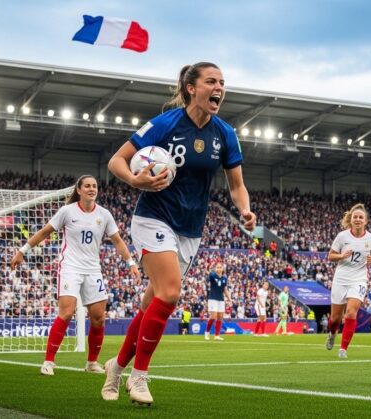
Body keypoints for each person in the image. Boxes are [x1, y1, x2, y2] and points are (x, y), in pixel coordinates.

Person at [100, 62, 256, 405]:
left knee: (150, 303)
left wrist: (244, 209)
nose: (219, 88)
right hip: (153, 217)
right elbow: (117, 161)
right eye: (211, 81)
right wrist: (135, 179)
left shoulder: (225, 134)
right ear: (191, 88)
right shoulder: (165, 124)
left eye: (222, 83)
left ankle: (117, 365)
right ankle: (139, 377)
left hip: (190, 229)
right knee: (170, 294)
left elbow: (237, 185)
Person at [10, 175, 140, 376]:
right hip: (70, 267)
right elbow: (45, 232)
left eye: (94, 186)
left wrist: (131, 262)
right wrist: (22, 250)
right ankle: (49, 362)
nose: (91, 189)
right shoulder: (67, 211)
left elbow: (118, 241)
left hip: (93, 270)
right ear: (78, 190)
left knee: (98, 318)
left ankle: (91, 363)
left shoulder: (104, 214)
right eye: (87, 186)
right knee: (67, 313)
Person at [325, 203, 371, 359]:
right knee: (335, 318)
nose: (358, 219)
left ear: (366, 221)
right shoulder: (342, 236)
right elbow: (330, 256)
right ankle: (332, 333)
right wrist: (341, 256)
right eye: (355, 217)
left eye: (361, 217)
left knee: (351, 312)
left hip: (359, 279)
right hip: (341, 279)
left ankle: (343, 349)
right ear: (351, 219)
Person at [205, 262, 230, 341]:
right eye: (217, 267)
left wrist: (229, 298)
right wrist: (207, 270)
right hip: (212, 298)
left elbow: (225, 289)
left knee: (220, 317)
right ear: (215, 269)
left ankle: (217, 335)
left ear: (222, 269)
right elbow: (207, 276)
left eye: (220, 267)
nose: (219, 269)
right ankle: (207, 331)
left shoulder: (225, 278)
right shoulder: (212, 275)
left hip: (221, 299)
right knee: (213, 316)